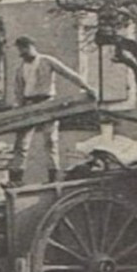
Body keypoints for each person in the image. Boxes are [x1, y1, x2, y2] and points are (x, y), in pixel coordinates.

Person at [8, 35, 95, 185]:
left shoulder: (47, 61)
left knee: (50, 141)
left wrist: (87, 88)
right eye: (19, 49)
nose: (21, 52)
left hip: (47, 104)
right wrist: (19, 108)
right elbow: (18, 91)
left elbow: (69, 74)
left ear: (31, 46)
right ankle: (16, 179)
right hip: (28, 106)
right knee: (21, 143)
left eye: (23, 48)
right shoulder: (20, 68)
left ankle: (53, 178)